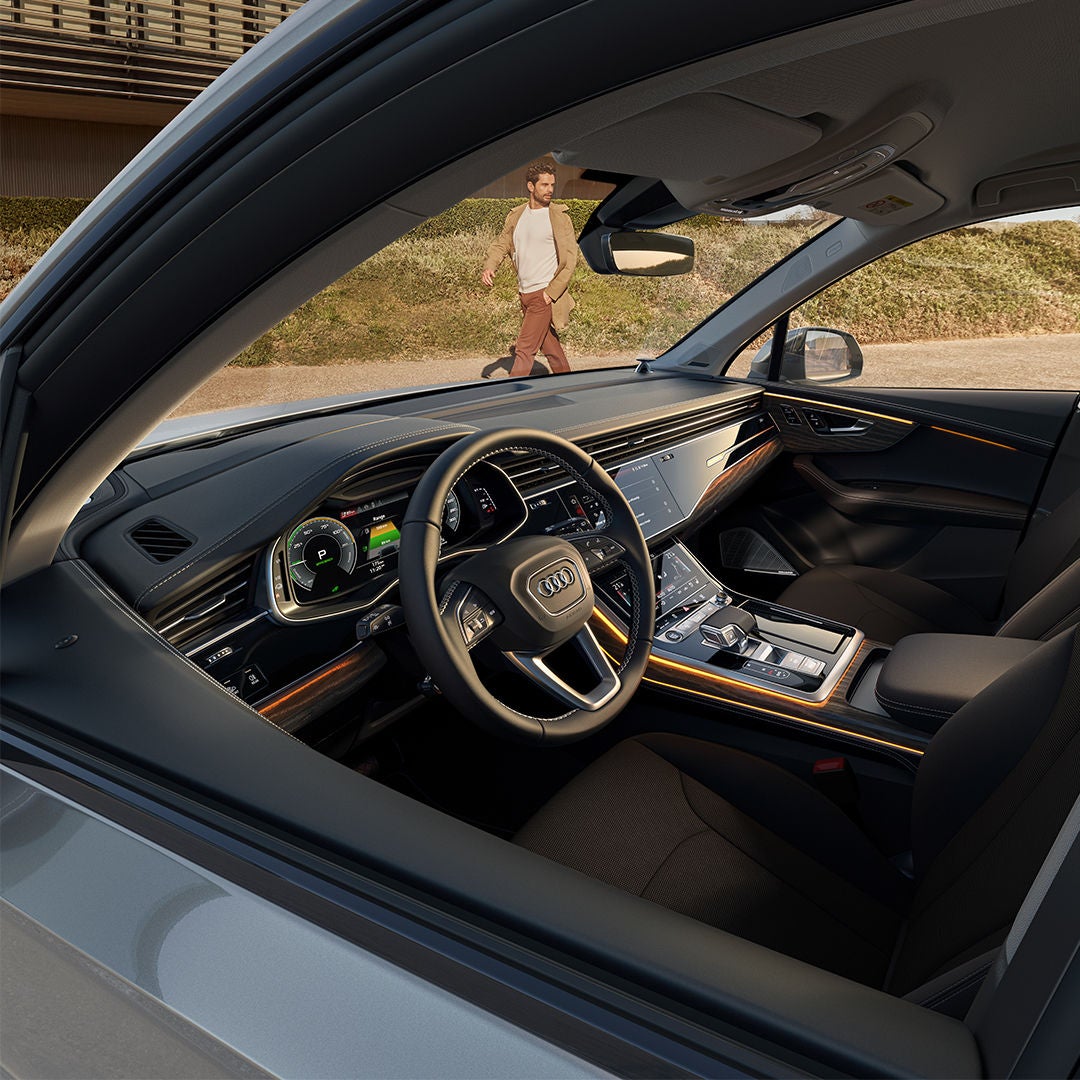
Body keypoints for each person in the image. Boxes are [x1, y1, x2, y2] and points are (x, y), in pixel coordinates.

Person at [481, 158, 577, 378]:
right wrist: (490, 266)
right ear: (531, 186)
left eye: (552, 185)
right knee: (551, 348)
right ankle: (569, 384)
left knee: (524, 349)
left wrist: (550, 293)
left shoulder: (560, 218)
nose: (550, 190)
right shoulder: (517, 215)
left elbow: (570, 260)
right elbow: (502, 244)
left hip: (543, 294)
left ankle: (513, 392)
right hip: (524, 293)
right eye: (544, 185)